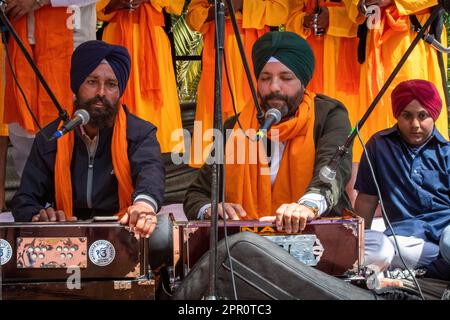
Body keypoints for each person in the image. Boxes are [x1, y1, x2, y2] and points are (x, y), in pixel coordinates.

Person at [183, 31, 353, 233]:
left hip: (314, 236)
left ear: (303, 81)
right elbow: (197, 194)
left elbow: (331, 170)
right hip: (246, 242)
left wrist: (306, 206)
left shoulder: (329, 115)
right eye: (265, 78)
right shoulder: (235, 127)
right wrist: (211, 209)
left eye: (286, 78)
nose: (274, 87)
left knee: (379, 248)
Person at [12, 40, 166, 244]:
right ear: (77, 86)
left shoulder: (140, 133)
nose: (101, 93)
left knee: (163, 233)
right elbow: (25, 199)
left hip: (123, 230)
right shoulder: (52, 137)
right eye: (92, 82)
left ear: (119, 92)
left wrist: (143, 206)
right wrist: (39, 216)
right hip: (64, 235)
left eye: (111, 84)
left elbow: (150, 175)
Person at [354, 79, 450, 280]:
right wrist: (358, 241)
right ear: (397, 115)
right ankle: (430, 272)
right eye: (407, 116)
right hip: (406, 240)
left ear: (434, 115)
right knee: (378, 250)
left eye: (422, 116)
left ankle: (421, 274)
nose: (415, 124)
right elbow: (367, 199)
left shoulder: (447, 151)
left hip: (445, 233)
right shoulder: (379, 146)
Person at [185, 0, 289, 167]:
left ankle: (253, 165)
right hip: (218, 49)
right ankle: (214, 169)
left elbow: (281, 12)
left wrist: (242, 5)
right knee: (215, 107)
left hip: (255, 51)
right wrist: (216, 10)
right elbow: (191, 17)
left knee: (253, 110)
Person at [96, 0, 184, 153]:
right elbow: (94, 7)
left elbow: (176, 5)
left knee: (152, 106)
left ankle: (151, 151)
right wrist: (114, 3)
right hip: (116, 33)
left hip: (152, 36)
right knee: (113, 91)